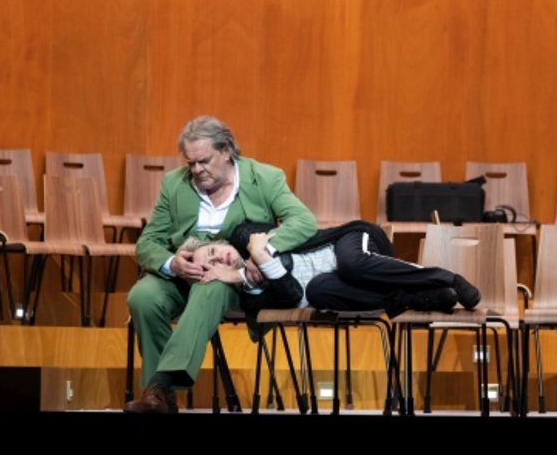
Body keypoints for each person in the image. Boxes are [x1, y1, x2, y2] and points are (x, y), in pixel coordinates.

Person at [123, 115, 317, 414]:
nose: (196, 170)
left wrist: (260, 251)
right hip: (182, 273)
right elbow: (148, 242)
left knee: (210, 285)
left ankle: (159, 386)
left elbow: (304, 222)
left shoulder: (265, 178)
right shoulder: (174, 183)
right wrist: (173, 263)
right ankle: (163, 399)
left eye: (204, 161)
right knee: (142, 296)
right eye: (191, 163)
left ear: (226, 150)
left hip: (231, 276)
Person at [198, 220, 482, 317]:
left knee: (350, 264)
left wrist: (257, 254)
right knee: (317, 291)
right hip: (341, 284)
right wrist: (246, 274)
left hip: (348, 244)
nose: (219, 260)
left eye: (212, 252)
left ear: (220, 244)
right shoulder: (250, 298)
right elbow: (292, 293)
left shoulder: (243, 236)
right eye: (211, 266)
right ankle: (415, 298)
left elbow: (271, 231)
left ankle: (447, 278)